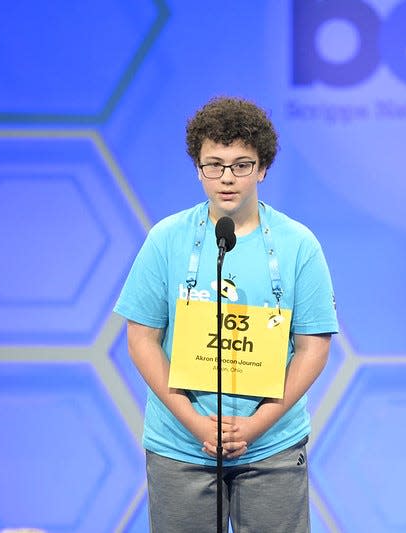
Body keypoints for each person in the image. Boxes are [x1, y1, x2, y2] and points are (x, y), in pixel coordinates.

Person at [114, 96, 338, 532]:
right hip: (181, 446)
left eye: (242, 164)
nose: (227, 178)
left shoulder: (298, 245)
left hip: (272, 445)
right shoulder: (166, 239)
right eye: (213, 165)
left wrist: (254, 426)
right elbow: (141, 338)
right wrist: (198, 424)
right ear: (198, 168)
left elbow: (313, 347)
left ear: (263, 168)